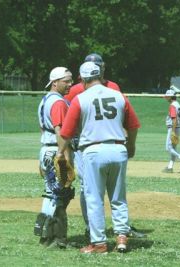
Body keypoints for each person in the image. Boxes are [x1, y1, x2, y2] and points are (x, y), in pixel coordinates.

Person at [56, 62, 140, 254]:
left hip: (93, 151)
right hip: (118, 150)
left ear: (83, 79)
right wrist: (131, 145)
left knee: (94, 198)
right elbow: (133, 125)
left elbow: (66, 133)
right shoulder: (119, 96)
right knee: (118, 197)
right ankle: (121, 237)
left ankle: (99, 243)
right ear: (101, 76)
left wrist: (61, 153)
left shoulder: (80, 99)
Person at [33, 67, 75, 249]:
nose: (70, 84)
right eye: (66, 81)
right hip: (55, 151)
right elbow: (61, 132)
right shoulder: (58, 102)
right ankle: (56, 239)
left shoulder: (45, 100)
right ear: (55, 82)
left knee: (51, 193)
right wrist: (65, 157)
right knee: (60, 194)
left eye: (71, 80)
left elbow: (43, 130)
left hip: (46, 150)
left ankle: (44, 235)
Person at [163, 89, 180, 173]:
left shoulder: (172, 105)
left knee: (168, 148)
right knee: (173, 148)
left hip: (173, 128)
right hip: (178, 128)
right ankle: (170, 167)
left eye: (167, 96)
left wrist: (173, 132)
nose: (166, 98)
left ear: (171, 96)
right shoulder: (178, 104)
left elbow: (174, 119)